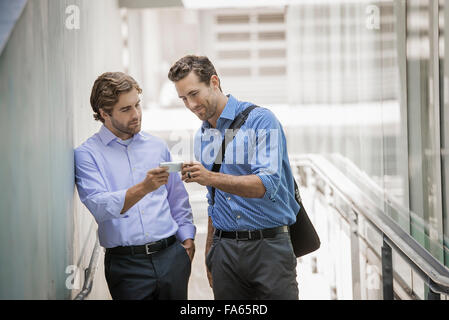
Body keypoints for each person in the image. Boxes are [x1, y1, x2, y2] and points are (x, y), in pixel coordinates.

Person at [168, 55, 299, 300]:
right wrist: (210, 250)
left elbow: (266, 185)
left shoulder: (261, 120)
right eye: (183, 98)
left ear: (214, 82)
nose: (191, 104)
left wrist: (210, 177)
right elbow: (213, 199)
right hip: (224, 250)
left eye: (194, 94)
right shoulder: (202, 136)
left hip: (269, 248)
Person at [74, 72, 196, 300]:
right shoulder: (87, 155)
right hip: (127, 267)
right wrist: (144, 187)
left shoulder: (156, 146)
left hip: (171, 257)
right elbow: (99, 206)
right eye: (126, 109)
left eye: (137, 105)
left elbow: (176, 198)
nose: (136, 114)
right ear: (104, 113)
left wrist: (187, 239)